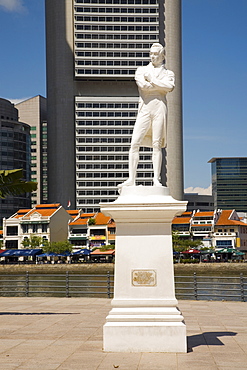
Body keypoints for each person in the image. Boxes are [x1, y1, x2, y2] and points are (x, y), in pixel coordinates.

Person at [118, 43, 175, 189]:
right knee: (134, 143)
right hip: (145, 108)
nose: (153, 56)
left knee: (157, 144)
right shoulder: (142, 70)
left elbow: (170, 87)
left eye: (156, 54)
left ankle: (156, 178)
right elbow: (144, 87)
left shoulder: (169, 73)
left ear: (162, 55)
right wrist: (158, 86)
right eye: (151, 53)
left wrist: (153, 81)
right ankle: (131, 178)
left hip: (159, 108)